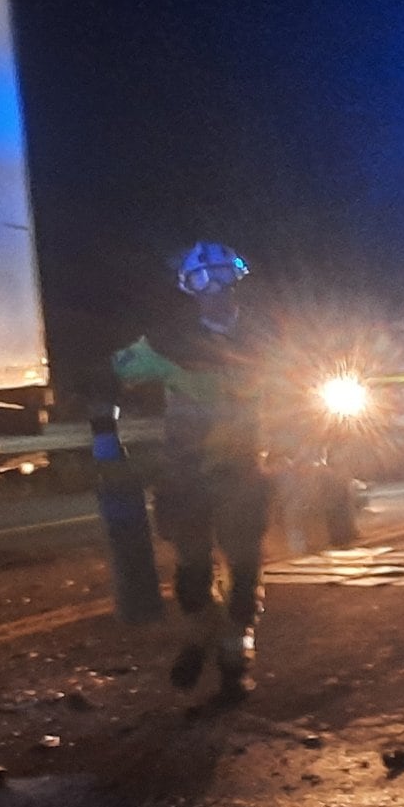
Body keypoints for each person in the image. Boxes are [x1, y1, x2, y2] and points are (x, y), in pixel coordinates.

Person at [111, 243, 271, 702]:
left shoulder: (264, 339)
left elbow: (297, 385)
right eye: (202, 281)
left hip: (242, 470)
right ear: (188, 288)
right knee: (193, 578)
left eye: (222, 277)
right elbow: (119, 368)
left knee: (243, 579)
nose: (214, 290)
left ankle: (235, 659)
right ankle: (201, 638)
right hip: (188, 474)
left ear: (237, 281)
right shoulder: (167, 342)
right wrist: (102, 385)